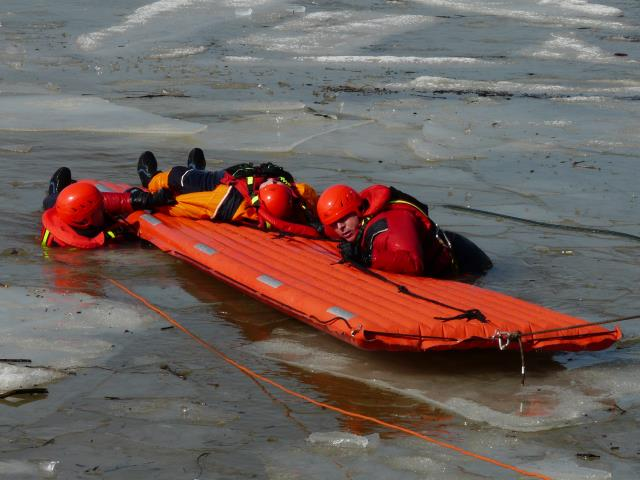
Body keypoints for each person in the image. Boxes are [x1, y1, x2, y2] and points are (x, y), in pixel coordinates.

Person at [316, 184, 492, 277]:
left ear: (358, 210)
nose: (340, 227)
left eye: (344, 219)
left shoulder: (391, 222)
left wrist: (365, 258)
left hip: (466, 261)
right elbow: (328, 230)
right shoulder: (353, 223)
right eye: (334, 224)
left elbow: (413, 263)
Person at [137, 149, 322, 237]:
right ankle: (196, 169)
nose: (271, 180)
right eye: (273, 181)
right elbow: (317, 201)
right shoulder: (298, 194)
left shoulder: (230, 204)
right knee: (194, 175)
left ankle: (150, 178)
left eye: (269, 183)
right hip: (234, 177)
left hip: (219, 185)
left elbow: (186, 206)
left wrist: (155, 201)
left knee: (178, 175)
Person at [40, 168, 174, 249]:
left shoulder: (68, 210)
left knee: (53, 200)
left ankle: (56, 191)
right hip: (76, 224)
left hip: (60, 206)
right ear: (87, 221)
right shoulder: (71, 246)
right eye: (99, 209)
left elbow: (107, 201)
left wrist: (147, 200)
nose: (103, 208)